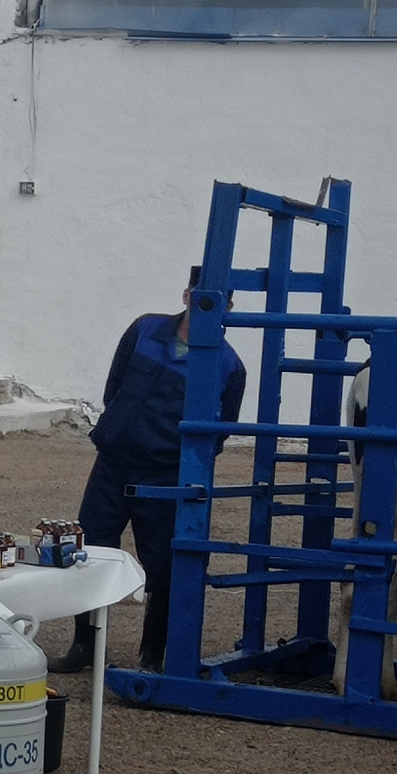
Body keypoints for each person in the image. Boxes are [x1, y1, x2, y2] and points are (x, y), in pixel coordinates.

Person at [47, 266, 247, 674]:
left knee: (164, 566)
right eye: (200, 297)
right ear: (186, 295)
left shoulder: (229, 367)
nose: (207, 307)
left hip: (166, 479)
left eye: (218, 302)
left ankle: (152, 656)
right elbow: (113, 389)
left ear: (229, 307)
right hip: (113, 465)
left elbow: (219, 433)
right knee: (90, 551)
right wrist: (121, 431)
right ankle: (85, 646)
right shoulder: (143, 330)